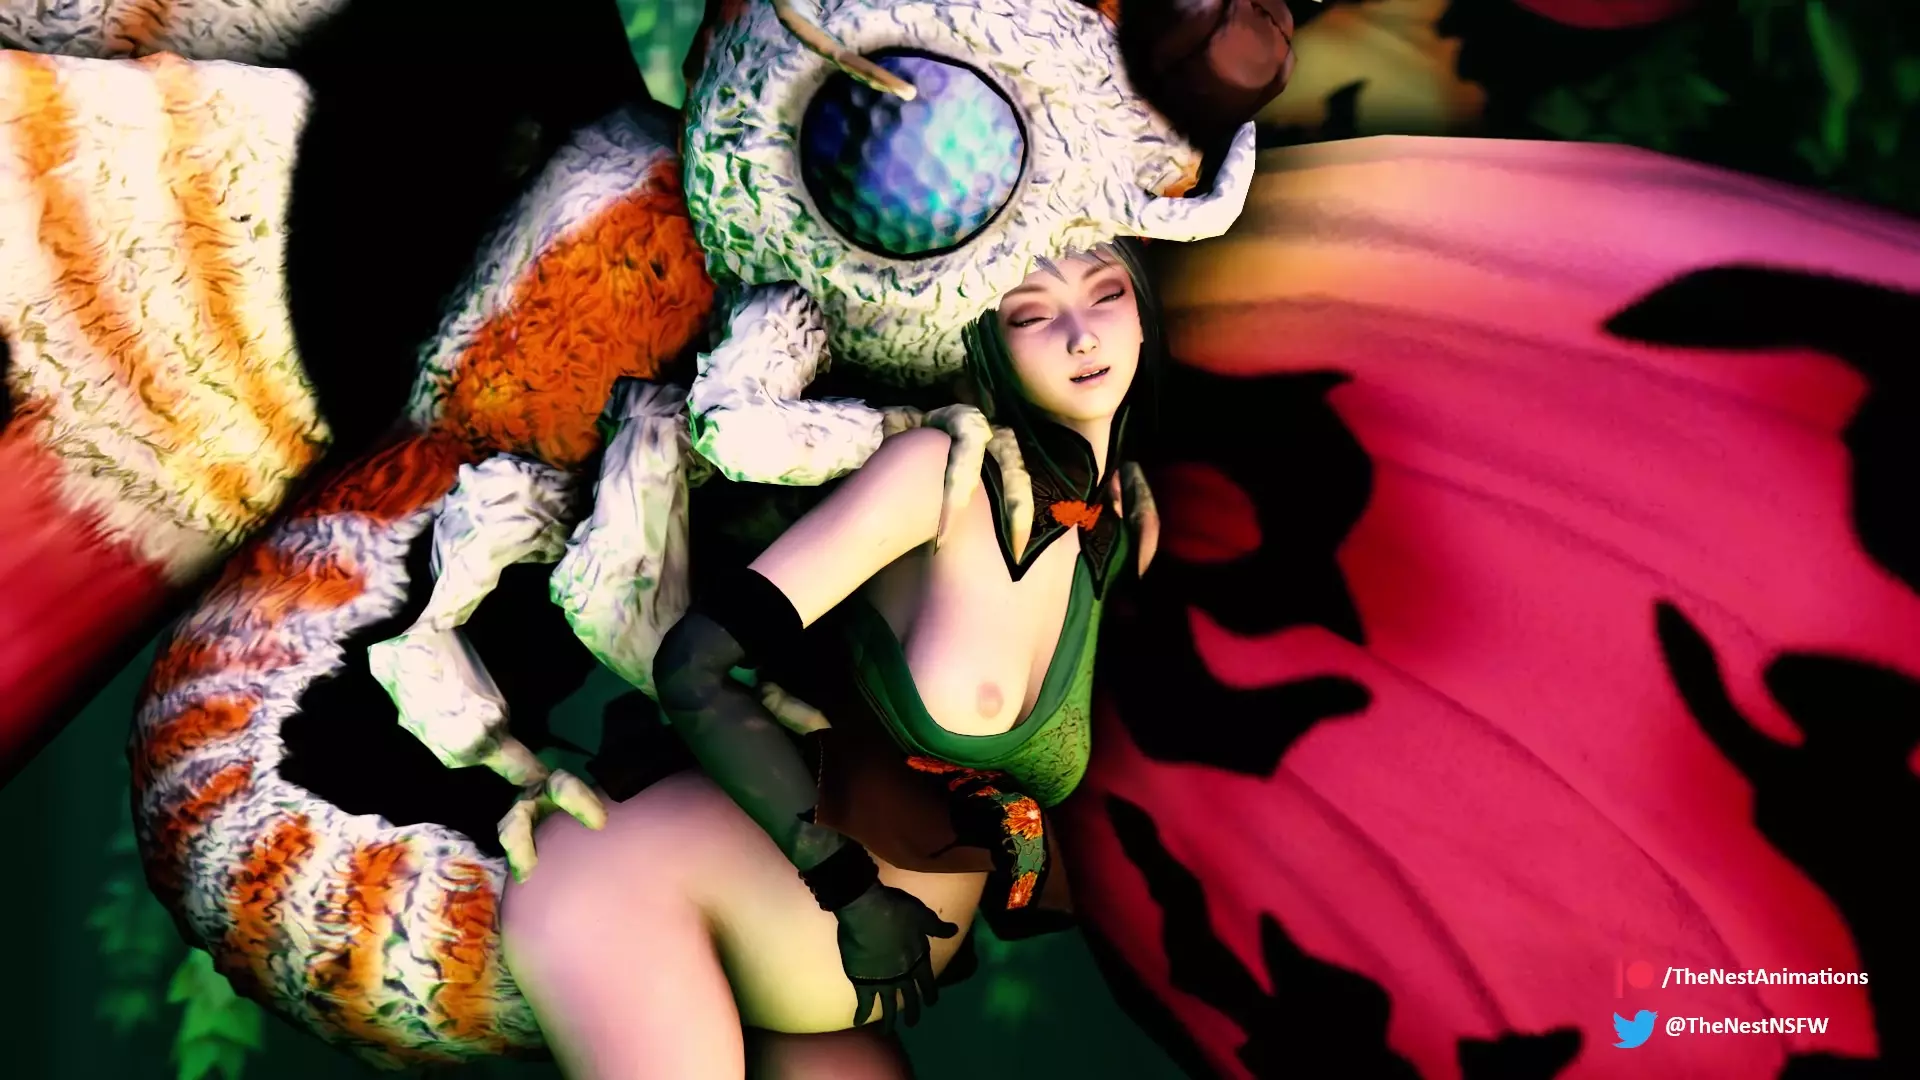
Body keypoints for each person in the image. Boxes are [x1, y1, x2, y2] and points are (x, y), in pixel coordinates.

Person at [498, 240, 1162, 1079]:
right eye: (1032, 314)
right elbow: (694, 666)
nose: (1081, 335)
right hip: (643, 895)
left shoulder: (1118, 529)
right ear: (985, 341)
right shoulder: (939, 477)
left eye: (1107, 295)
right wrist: (850, 892)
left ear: (1146, 313)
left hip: (813, 982)